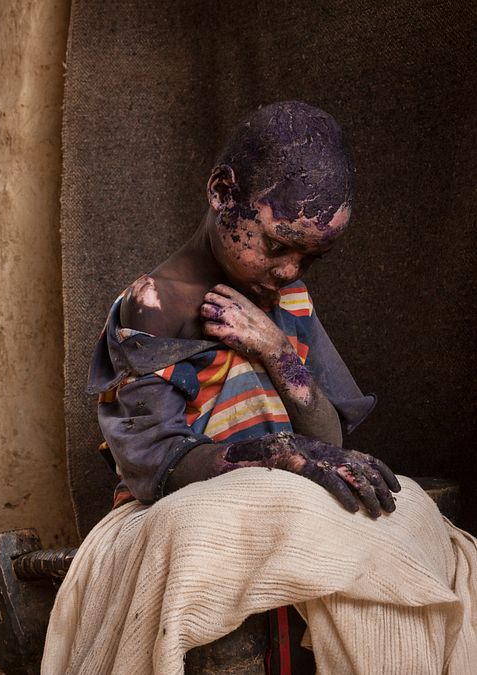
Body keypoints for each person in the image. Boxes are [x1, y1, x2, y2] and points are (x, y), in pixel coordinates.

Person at [41, 102, 477, 674]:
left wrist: (274, 348)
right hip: (183, 510)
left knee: (411, 512)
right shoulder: (154, 305)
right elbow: (155, 467)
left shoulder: (286, 301)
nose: (290, 270)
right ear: (223, 193)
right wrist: (277, 453)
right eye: (276, 245)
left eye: (311, 257)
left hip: (288, 502)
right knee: (292, 514)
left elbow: (327, 436)